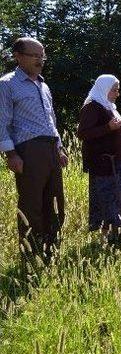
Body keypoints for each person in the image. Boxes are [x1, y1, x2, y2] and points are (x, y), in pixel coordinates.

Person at [0, 37, 67, 261]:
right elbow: (2, 122)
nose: (40, 60)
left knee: (55, 199)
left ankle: (52, 247)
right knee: (32, 203)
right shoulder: (7, 84)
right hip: (28, 150)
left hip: (50, 149)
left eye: (42, 56)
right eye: (35, 55)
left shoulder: (43, 85)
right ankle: (31, 252)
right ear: (18, 56)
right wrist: (11, 154)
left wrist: (59, 147)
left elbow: (51, 120)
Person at [77, 75, 121, 235]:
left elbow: (112, 128)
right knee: (107, 200)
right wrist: (108, 127)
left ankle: (119, 234)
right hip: (104, 164)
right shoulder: (92, 107)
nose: (117, 94)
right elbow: (83, 133)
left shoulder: (109, 106)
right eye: (114, 90)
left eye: (118, 90)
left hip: (117, 163)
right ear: (103, 89)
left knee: (119, 199)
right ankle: (108, 237)